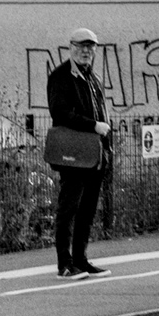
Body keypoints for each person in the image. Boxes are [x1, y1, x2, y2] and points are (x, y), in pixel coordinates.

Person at [46, 27, 112, 278]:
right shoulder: (61, 76)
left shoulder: (93, 78)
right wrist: (93, 125)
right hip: (73, 154)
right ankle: (64, 263)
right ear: (71, 47)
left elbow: (101, 114)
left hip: (94, 154)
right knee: (69, 209)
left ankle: (81, 260)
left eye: (91, 47)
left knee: (87, 210)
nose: (86, 51)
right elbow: (60, 112)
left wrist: (106, 145)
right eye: (82, 46)